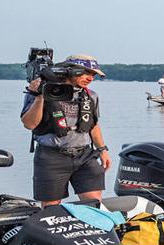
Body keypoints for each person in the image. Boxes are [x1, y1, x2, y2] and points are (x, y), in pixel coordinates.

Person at [20, 54, 111, 207]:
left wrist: (102, 150)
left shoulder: (91, 96)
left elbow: (93, 124)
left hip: (85, 155)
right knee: (51, 210)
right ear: (71, 71)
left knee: (94, 206)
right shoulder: (40, 90)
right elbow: (29, 124)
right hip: (51, 156)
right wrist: (40, 97)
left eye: (93, 75)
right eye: (86, 73)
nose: (90, 78)